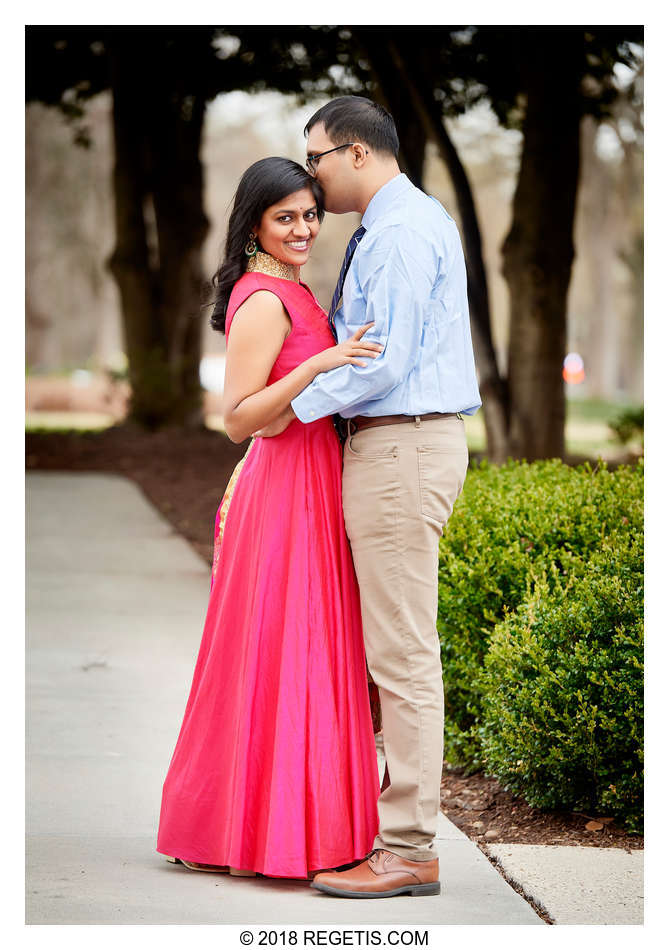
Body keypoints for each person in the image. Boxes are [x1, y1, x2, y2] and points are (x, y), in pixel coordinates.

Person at [260, 96, 482, 899]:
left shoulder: (394, 232)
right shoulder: (398, 222)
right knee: (379, 648)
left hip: (401, 443)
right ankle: (359, 821)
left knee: (400, 653)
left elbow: (380, 364)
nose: (311, 177)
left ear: (354, 153)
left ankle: (408, 846)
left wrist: (283, 413)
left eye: (314, 158)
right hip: (394, 443)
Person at [156, 157, 384, 880]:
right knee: (273, 655)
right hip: (280, 489)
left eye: (311, 214)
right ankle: (241, 831)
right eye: (284, 216)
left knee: (309, 652)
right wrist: (317, 369)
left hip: (314, 481)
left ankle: (303, 825)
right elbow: (239, 420)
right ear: (253, 221)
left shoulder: (296, 287)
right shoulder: (261, 299)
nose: (302, 229)